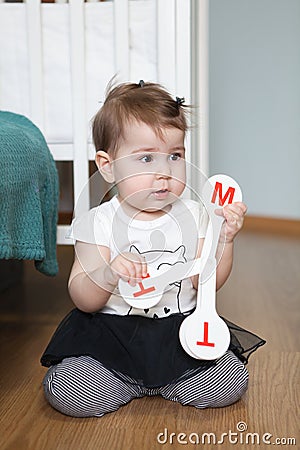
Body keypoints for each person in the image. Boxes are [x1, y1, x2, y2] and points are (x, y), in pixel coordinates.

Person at [41, 81, 265, 417]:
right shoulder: (97, 222)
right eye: (146, 158)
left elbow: (207, 282)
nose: (164, 172)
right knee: (69, 389)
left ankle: (169, 381)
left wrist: (223, 240)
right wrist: (107, 272)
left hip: (179, 332)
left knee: (231, 380)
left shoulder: (194, 215)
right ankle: (121, 381)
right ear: (107, 165)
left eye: (174, 156)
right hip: (111, 339)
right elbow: (83, 298)